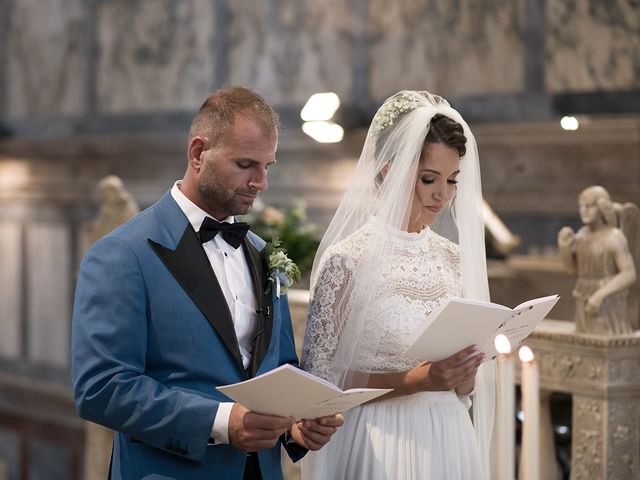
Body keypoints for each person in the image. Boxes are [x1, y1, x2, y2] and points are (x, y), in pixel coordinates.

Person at [72, 85, 343, 480]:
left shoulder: (265, 255)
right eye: (246, 164)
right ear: (199, 153)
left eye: (268, 166)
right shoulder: (122, 254)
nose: (260, 182)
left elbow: (280, 369)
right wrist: (222, 421)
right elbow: (101, 387)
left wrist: (297, 426)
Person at [300, 91, 495, 479]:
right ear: (391, 170)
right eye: (429, 179)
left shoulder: (454, 258)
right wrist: (417, 379)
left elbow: (465, 383)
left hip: (448, 433)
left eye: (452, 180)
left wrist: (464, 373)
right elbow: (323, 384)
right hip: (379, 440)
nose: (444, 194)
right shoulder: (348, 260)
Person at [558, 185, 637, 334]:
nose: (584, 210)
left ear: (602, 207)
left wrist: (600, 295)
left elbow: (629, 273)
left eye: (589, 206)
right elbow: (573, 270)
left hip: (608, 300)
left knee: (607, 344)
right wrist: (564, 248)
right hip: (583, 295)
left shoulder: (614, 236)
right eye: (581, 206)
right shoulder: (582, 235)